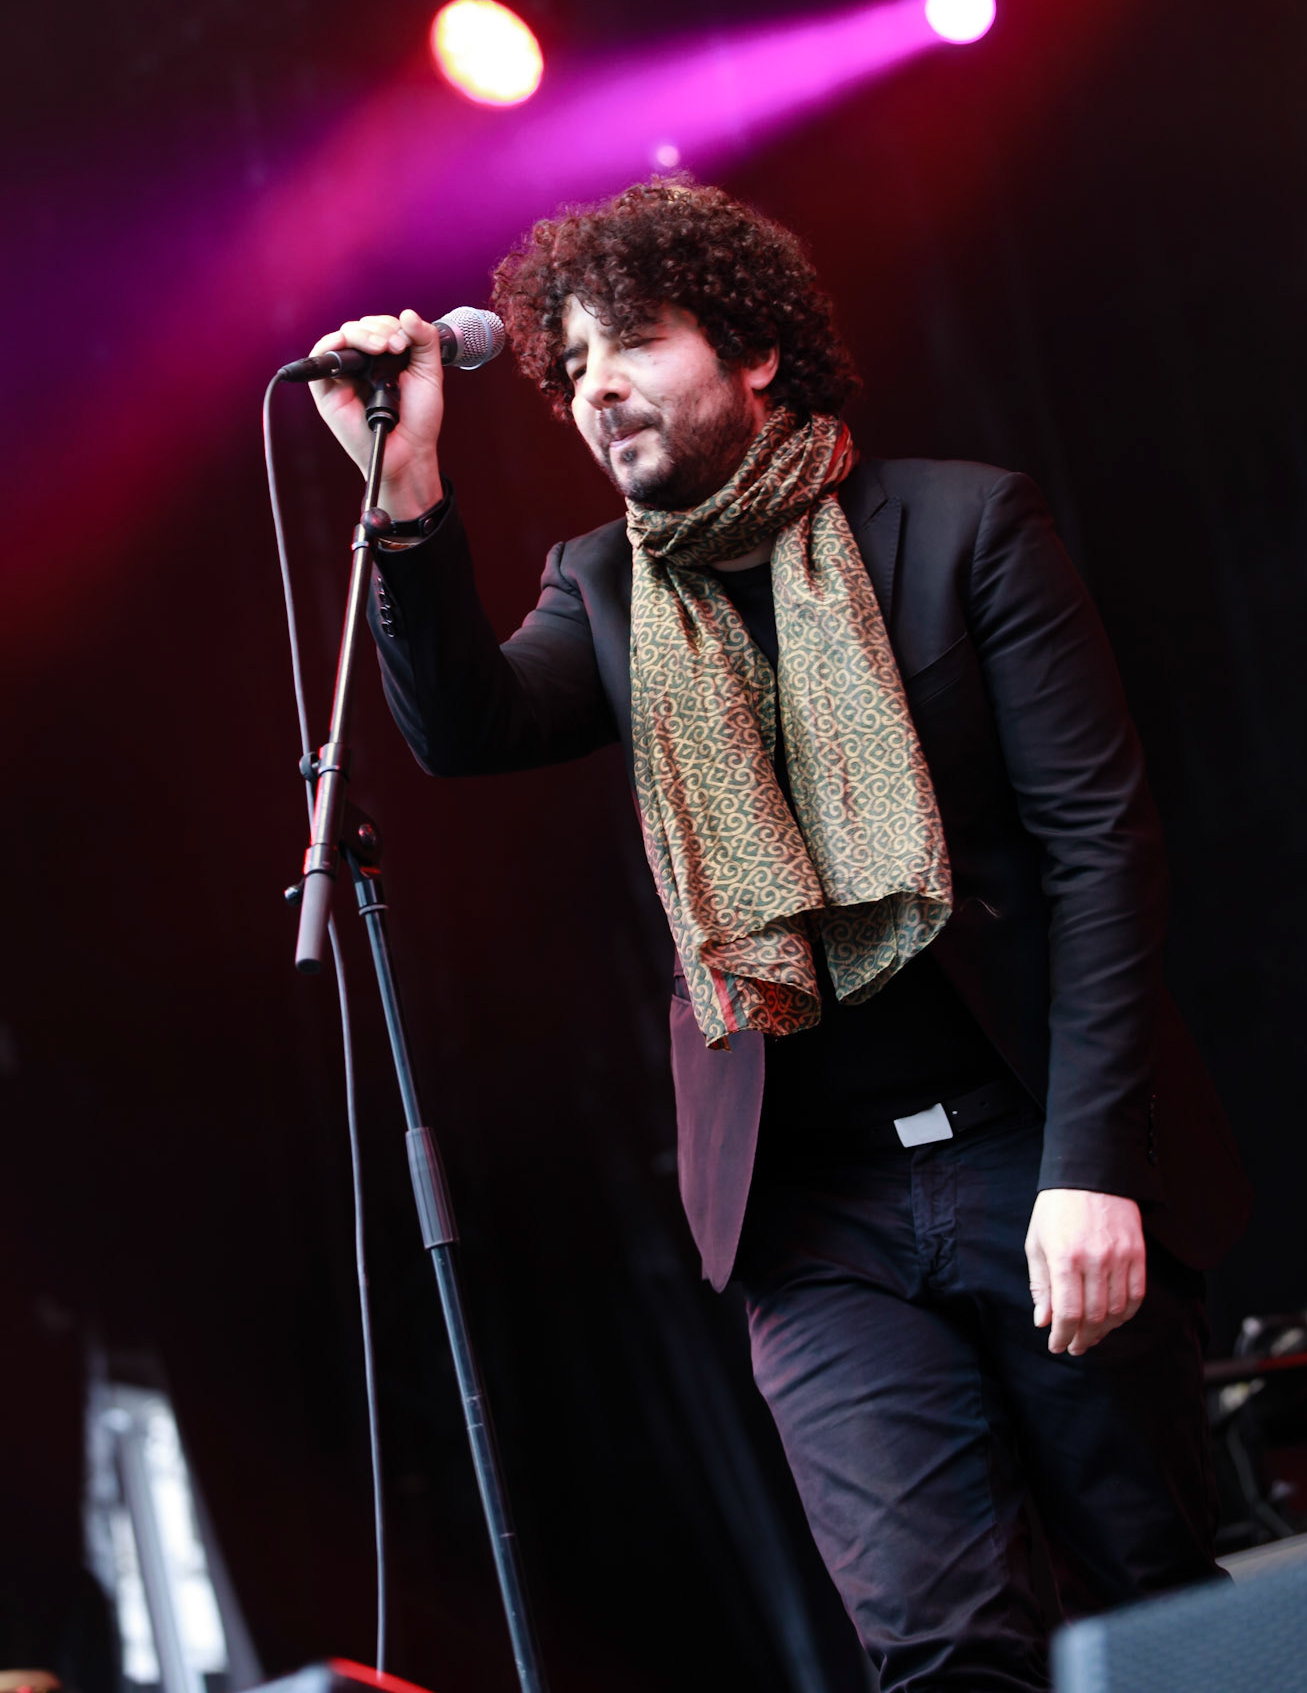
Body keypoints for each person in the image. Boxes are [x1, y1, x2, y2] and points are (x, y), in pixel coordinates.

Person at [308, 179, 1250, 1691]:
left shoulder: (957, 525)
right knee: (939, 1643)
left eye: (639, 342)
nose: (599, 384)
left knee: (1146, 1600)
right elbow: (467, 730)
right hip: (813, 1219)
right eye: (571, 364)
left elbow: (1098, 853)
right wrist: (403, 490)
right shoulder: (605, 587)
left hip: (1029, 1149)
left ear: (753, 354)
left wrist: (1091, 1168)